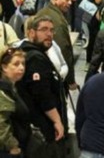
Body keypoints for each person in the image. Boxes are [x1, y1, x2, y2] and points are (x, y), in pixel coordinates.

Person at [16, 15, 68, 158]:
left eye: (51, 30)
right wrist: (57, 121)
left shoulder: (28, 52)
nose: (49, 34)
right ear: (31, 32)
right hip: (41, 130)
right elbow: (42, 95)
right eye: (44, 30)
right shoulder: (35, 58)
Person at [35, 0, 77, 90]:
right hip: (54, 74)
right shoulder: (57, 21)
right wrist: (70, 79)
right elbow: (64, 49)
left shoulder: (43, 12)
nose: (70, 3)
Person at [0, 48, 31, 157]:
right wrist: (12, 146)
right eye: (16, 64)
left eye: (23, 64)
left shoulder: (12, 87)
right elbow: (1, 123)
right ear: (4, 67)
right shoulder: (3, 90)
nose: (21, 67)